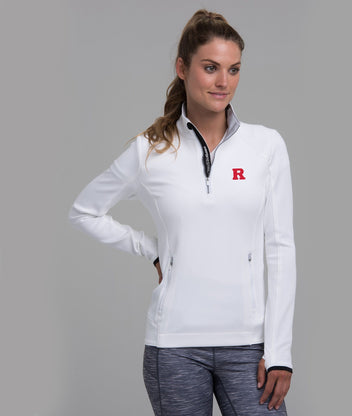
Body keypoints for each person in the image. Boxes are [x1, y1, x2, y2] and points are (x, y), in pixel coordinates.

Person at [68, 8, 297, 416]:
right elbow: (84, 211)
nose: (223, 82)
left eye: (233, 69)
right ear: (182, 68)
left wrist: (279, 352)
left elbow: (280, 249)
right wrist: (151, 249)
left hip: (249, 345)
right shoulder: (150, 151)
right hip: (173, 347)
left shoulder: (266, 147)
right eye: (210, 68)